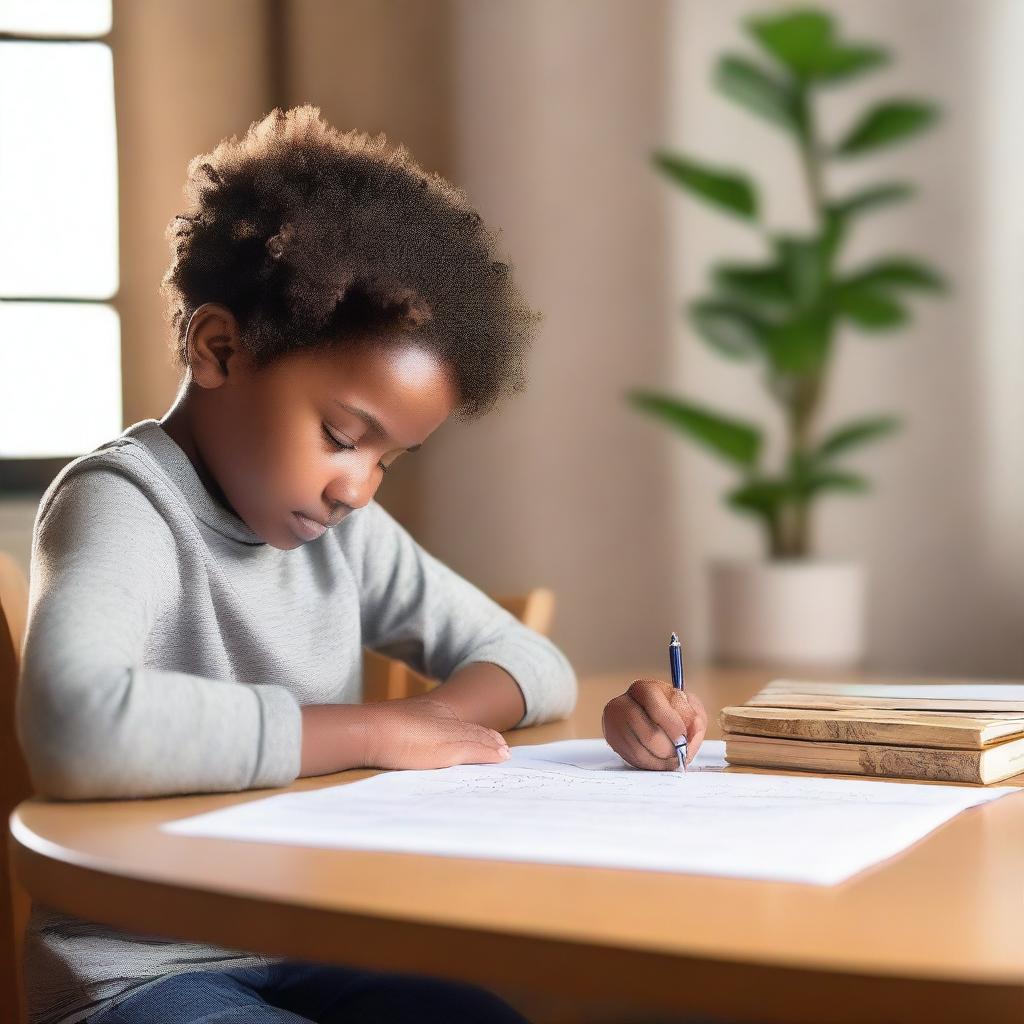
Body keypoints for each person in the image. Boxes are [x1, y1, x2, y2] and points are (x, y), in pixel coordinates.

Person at [16, 104, 579, 1024]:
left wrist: (429, 718)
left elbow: (536, 666)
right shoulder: (125, 504)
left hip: (316, 944)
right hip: (144, 976)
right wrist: (365, 731)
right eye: (341, 437)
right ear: (219, 350)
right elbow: (78, 724)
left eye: (387, 461)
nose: (357, 489)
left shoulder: (342, 533)